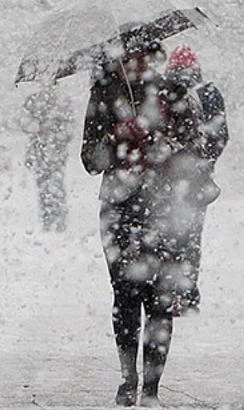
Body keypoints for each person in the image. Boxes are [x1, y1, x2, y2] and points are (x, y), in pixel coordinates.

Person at [81, 38, 189, 407]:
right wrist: (118, 137)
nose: (138, 63)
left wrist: (160, 143)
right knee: (125, 297)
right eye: (131, 57)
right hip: (120, 207)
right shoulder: (105, 94)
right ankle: (128, 379)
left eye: (145, 56)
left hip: (164, 209)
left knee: (160, 299)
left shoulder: (172, 93)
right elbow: (89, 159)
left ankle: (152, 389)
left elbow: (194, 150)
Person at [158, 44, 229, 317]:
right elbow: (221, 135)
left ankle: (169, 290)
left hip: (167, 179)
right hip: (197, 180)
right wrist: (206, 160)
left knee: (166, 235)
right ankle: (187, 293)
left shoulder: (164, 93)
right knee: (191, 237)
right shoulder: (209, 93)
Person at [22, 83, 73, 232]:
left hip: (56, 152)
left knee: (56, 182)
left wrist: (55, 132)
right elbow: (23, 123)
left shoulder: (62, 104)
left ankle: (59, 217)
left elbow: (69, 129)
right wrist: (38, 128)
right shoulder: (32, 101)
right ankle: (47, 217)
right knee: (43, 183)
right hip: (40, 151)